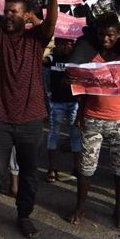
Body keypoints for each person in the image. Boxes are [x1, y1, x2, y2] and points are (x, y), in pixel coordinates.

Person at [0, 0, 59, 239]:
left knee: (30, 174)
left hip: (31, 119)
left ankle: (24, 216)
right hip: (0, 118)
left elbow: (50, 24)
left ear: (26, 16)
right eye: (7, 10)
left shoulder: (36, 40)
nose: (9, 14)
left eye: (15, 11)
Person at [69, 14, 120, 228]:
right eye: (102, 35)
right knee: (86, 167)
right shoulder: (90, 58)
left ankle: (118, 210)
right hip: (93, 119)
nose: (105, 39)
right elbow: (83, 91)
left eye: (110, 35)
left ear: (118, 34)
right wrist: (81, 114)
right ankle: (80, 207)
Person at [44, 37, 81, 183]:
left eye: (70, 43)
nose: (67, 47)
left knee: (75, 136)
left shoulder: (78, 58)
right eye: (63, 44)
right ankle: (52, 168)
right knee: (54, 134)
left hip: (74, 103)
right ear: (56, 45)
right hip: (57, 103)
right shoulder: (52, 58)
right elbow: (42, 60)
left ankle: (77, 168)